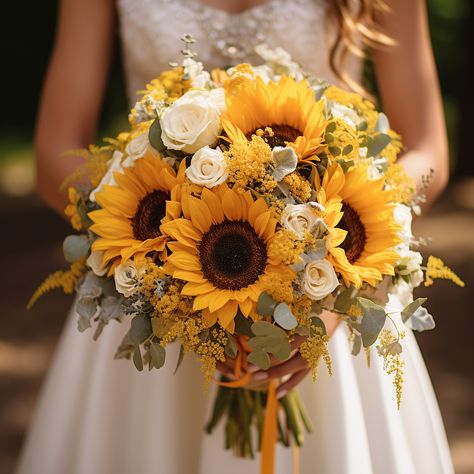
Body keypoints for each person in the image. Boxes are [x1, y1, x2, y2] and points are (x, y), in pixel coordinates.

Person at [18, 0, 453, 473]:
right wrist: (151, 250)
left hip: (330, 295)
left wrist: (335, 280)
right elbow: (53, 155)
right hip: (154, 296)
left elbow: (428, 147)